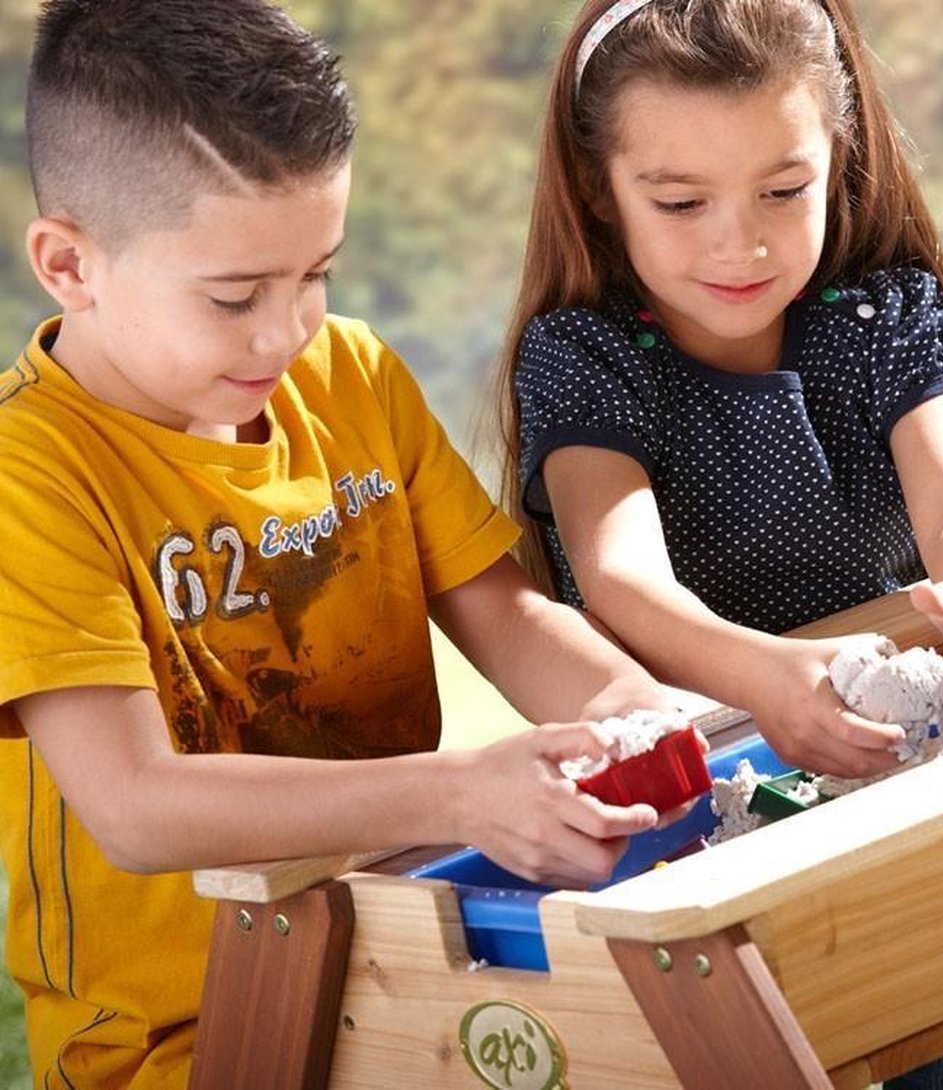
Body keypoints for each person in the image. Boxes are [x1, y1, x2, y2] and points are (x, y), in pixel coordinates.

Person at [495, 1, 943, 1087]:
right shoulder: (586, 359)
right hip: (738, 794)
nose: (743, 240)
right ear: (600, 190)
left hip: (920, 750)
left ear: (841, 158)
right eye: (681, 201)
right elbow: (622, 577)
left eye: (785, 190)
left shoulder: (883, 318)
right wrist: (772, 679)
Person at [0, 1, 691, 1086]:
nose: (286, 332)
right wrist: (461, 792)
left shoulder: (355, 376)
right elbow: (135, 804)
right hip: (189, 1041)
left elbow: (506, 613)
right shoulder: (24, 474)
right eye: (234, 297)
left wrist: (624, 708)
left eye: (315, 273)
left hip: (414, 974)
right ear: (69, 266)